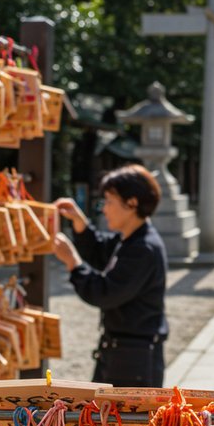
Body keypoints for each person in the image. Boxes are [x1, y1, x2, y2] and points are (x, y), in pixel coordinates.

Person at [53, 164, 169, 387]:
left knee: (122, 422)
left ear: (132, 203)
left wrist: (73, 262)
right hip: (125, 351)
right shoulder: (133, 239)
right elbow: (101, 251)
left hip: (133, 357)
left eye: (109, 201)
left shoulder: (143, 247)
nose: (104, 209)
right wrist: (80, 223)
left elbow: (105, 292)